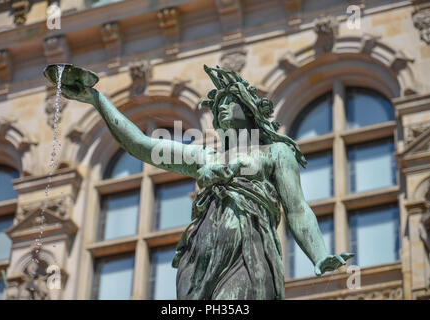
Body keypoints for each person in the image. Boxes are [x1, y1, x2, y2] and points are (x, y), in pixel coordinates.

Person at [60, 64, 353, 300]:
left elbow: (297, 208)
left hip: (249, 250)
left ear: (248, 108)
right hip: (201, 253)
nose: (221, 109)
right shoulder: (204, 156)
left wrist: (318, 254)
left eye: (229, 102)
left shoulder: (275, 152)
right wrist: (97, 100)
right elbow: (140, 145)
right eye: (219, 106)